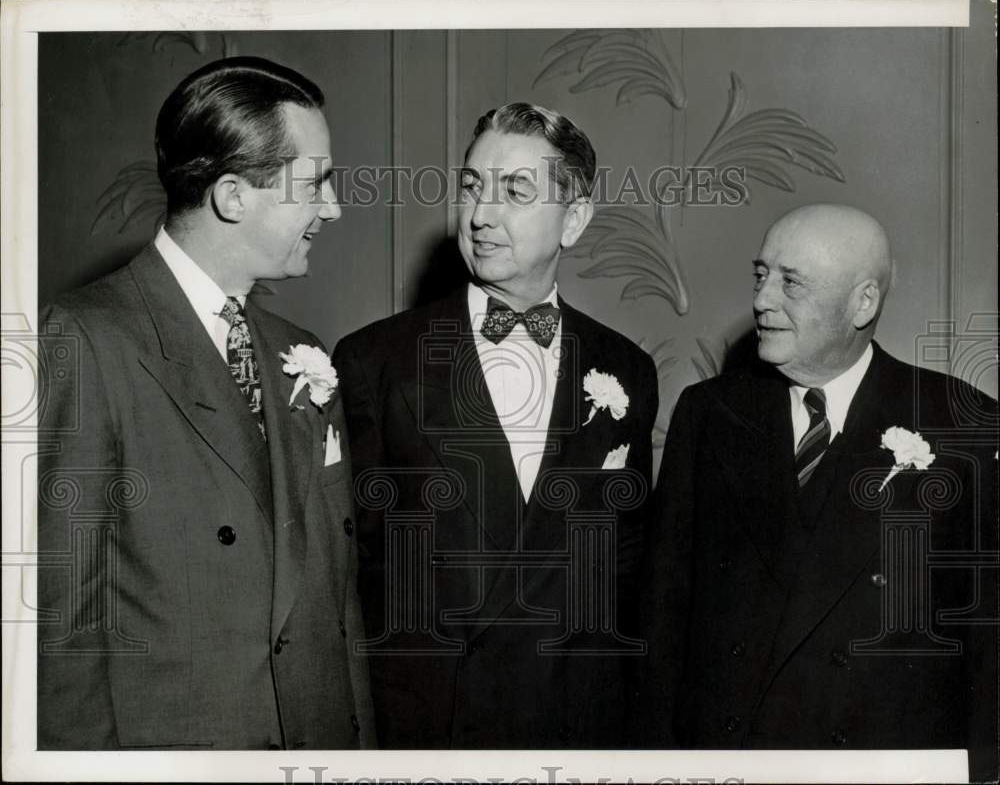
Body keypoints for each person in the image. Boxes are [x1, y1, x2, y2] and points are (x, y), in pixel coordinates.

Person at [37, 56, 375, 750]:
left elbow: (338, 612)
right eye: (315, 183)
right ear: (232, 195)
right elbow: (60, 626)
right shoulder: (86, 339)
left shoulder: (299, 350)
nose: (334, 207)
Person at [333, 103, 658, 748]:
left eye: (514, 192)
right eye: (473, 187)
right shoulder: (375, 361)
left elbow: (626, 565)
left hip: (574, 723)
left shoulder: (626, 368)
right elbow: (351, 570)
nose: (481, 215)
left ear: (575, 219)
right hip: (432, 724)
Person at [639, 203, 998, 781]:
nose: (761, 301)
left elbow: (987, 654)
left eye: (791, 283)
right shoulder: (709, 414)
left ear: (864, 302)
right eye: (761, 275)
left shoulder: (963, 424)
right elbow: (662, 617)